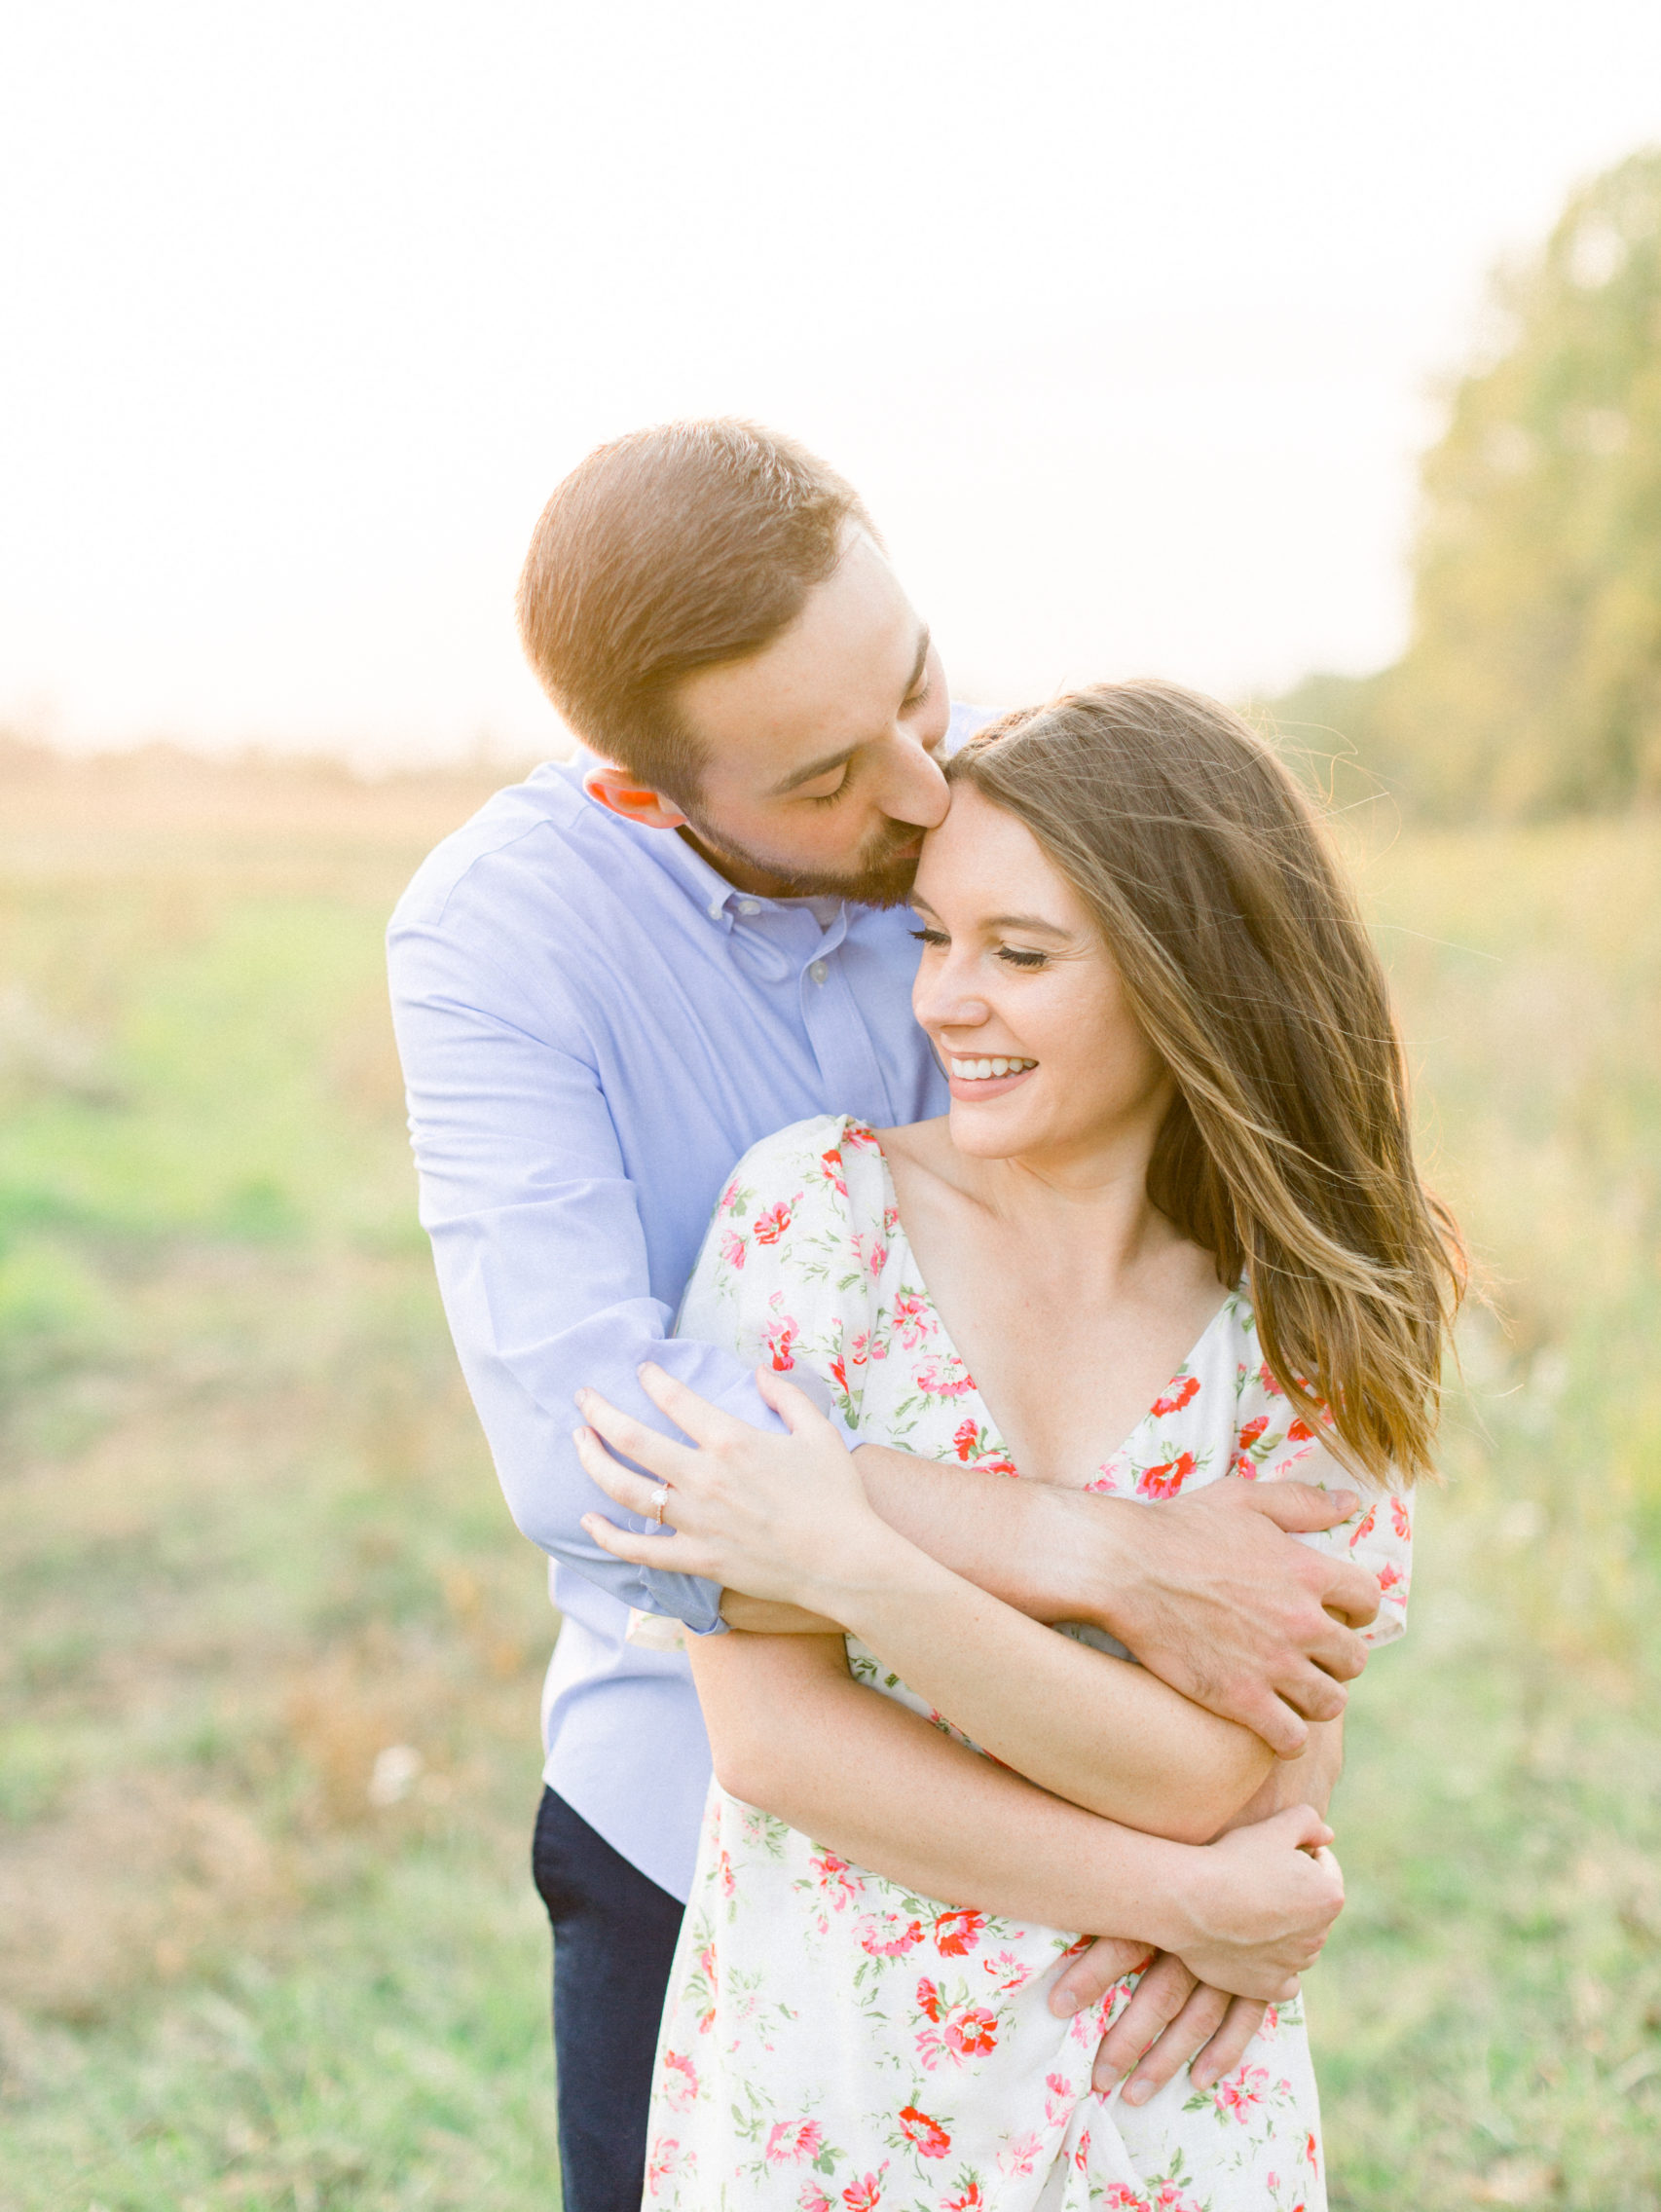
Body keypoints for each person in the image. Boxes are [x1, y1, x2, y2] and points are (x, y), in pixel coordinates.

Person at [388, 425, 1387, 2212]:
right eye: (842, 771)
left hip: (1129, 1881)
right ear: (652, 794)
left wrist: (1254, 1813)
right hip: (721, 1834)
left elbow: (1286, 1523)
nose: (926, 789)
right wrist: (1104, 1562)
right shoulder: (510, 947)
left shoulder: (992, 827)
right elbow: (594, 1450)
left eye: (922, 685)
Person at [574, 683, 1462, 2209]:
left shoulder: (1301, 1312)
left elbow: (1216, 1778)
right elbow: (776, 1740)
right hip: (841, 2103)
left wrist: (851, 1559)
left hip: (1162, 2111)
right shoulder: (812, 1221)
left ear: (1187, 977)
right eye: (931, 936)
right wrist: (1196, 1895)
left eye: (1020, 954)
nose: (941, 1001)